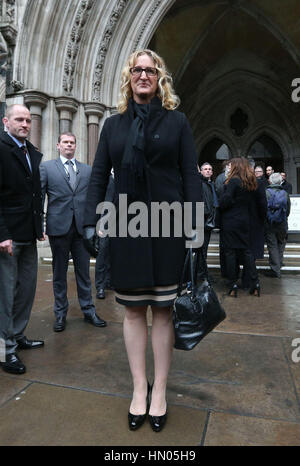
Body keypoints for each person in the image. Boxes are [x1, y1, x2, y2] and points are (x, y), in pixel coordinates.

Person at [83, 49, 202, 432]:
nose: (144, 75)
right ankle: (139, 388)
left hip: (168, 226)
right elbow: (99, 176)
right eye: (137, 70)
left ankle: (160, 390)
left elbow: (190, 175)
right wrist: (91, 223)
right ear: (129, 77)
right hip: (127, 225)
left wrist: (195, 227)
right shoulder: (113, 126)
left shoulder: (177, 122)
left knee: (164, 311)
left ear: (160, 78)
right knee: (134, 311)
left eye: (150, 70)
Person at [40, 132, 107, 332]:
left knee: (84, 273)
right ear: (58, 145)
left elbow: (93, 199)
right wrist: (39, 225)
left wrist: (94, 225)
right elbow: (40, 196)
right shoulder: (47, 168)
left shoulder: (87, 170)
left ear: (76, 146)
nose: (69, 145)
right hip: (58, 228)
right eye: (65, 142)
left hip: (81, 230)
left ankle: (88, 310)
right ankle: (60, 314)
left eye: (72, 142)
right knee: (59, 273)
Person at [0, 104, 45, 375]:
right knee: (6, 294)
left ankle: (16, 336)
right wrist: (2, 234)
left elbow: (34, 194)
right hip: (9, 237)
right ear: (6, 121)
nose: (25, 124)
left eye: (28, 120)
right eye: (19, 119)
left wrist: (39, 226)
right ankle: (5, 351)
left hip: (28, 233)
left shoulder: (31, 152)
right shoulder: (2, 148)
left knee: (26, 289)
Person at [219, 157, 264, 297]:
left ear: (236, 167)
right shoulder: (251, 182)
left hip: (231, 222)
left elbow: (225, 201)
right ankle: (255, 283)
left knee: (230, 253)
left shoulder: (233, 181)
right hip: (245, 221)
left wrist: (224, 196)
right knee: (247, 252)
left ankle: (233, 285)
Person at [264, 172, 291, 278]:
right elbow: (288, 210)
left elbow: (263, 209)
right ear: (280, 181)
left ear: (270, 181)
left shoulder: (266, 192)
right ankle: (278, 265)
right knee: (281, 244)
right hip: (282, 223)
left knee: (272, 245)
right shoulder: (285, 193)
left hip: (270, 223)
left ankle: (275, 269)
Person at [95, 172, 115, 299]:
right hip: (104, 221)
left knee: (114, 253)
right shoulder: (104, 177)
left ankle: (109, 282)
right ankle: (100, 286)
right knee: (102, 253)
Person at [198, 162, 218, 279]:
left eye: (210, 169)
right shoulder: (200, 184)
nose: (208, 171)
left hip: (208, 222)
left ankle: (203, 273)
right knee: (200, 249)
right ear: (200, 171)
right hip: (201, 221)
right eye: (205, 169)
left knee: (204, 250)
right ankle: (201, 275)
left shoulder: (211, 184)